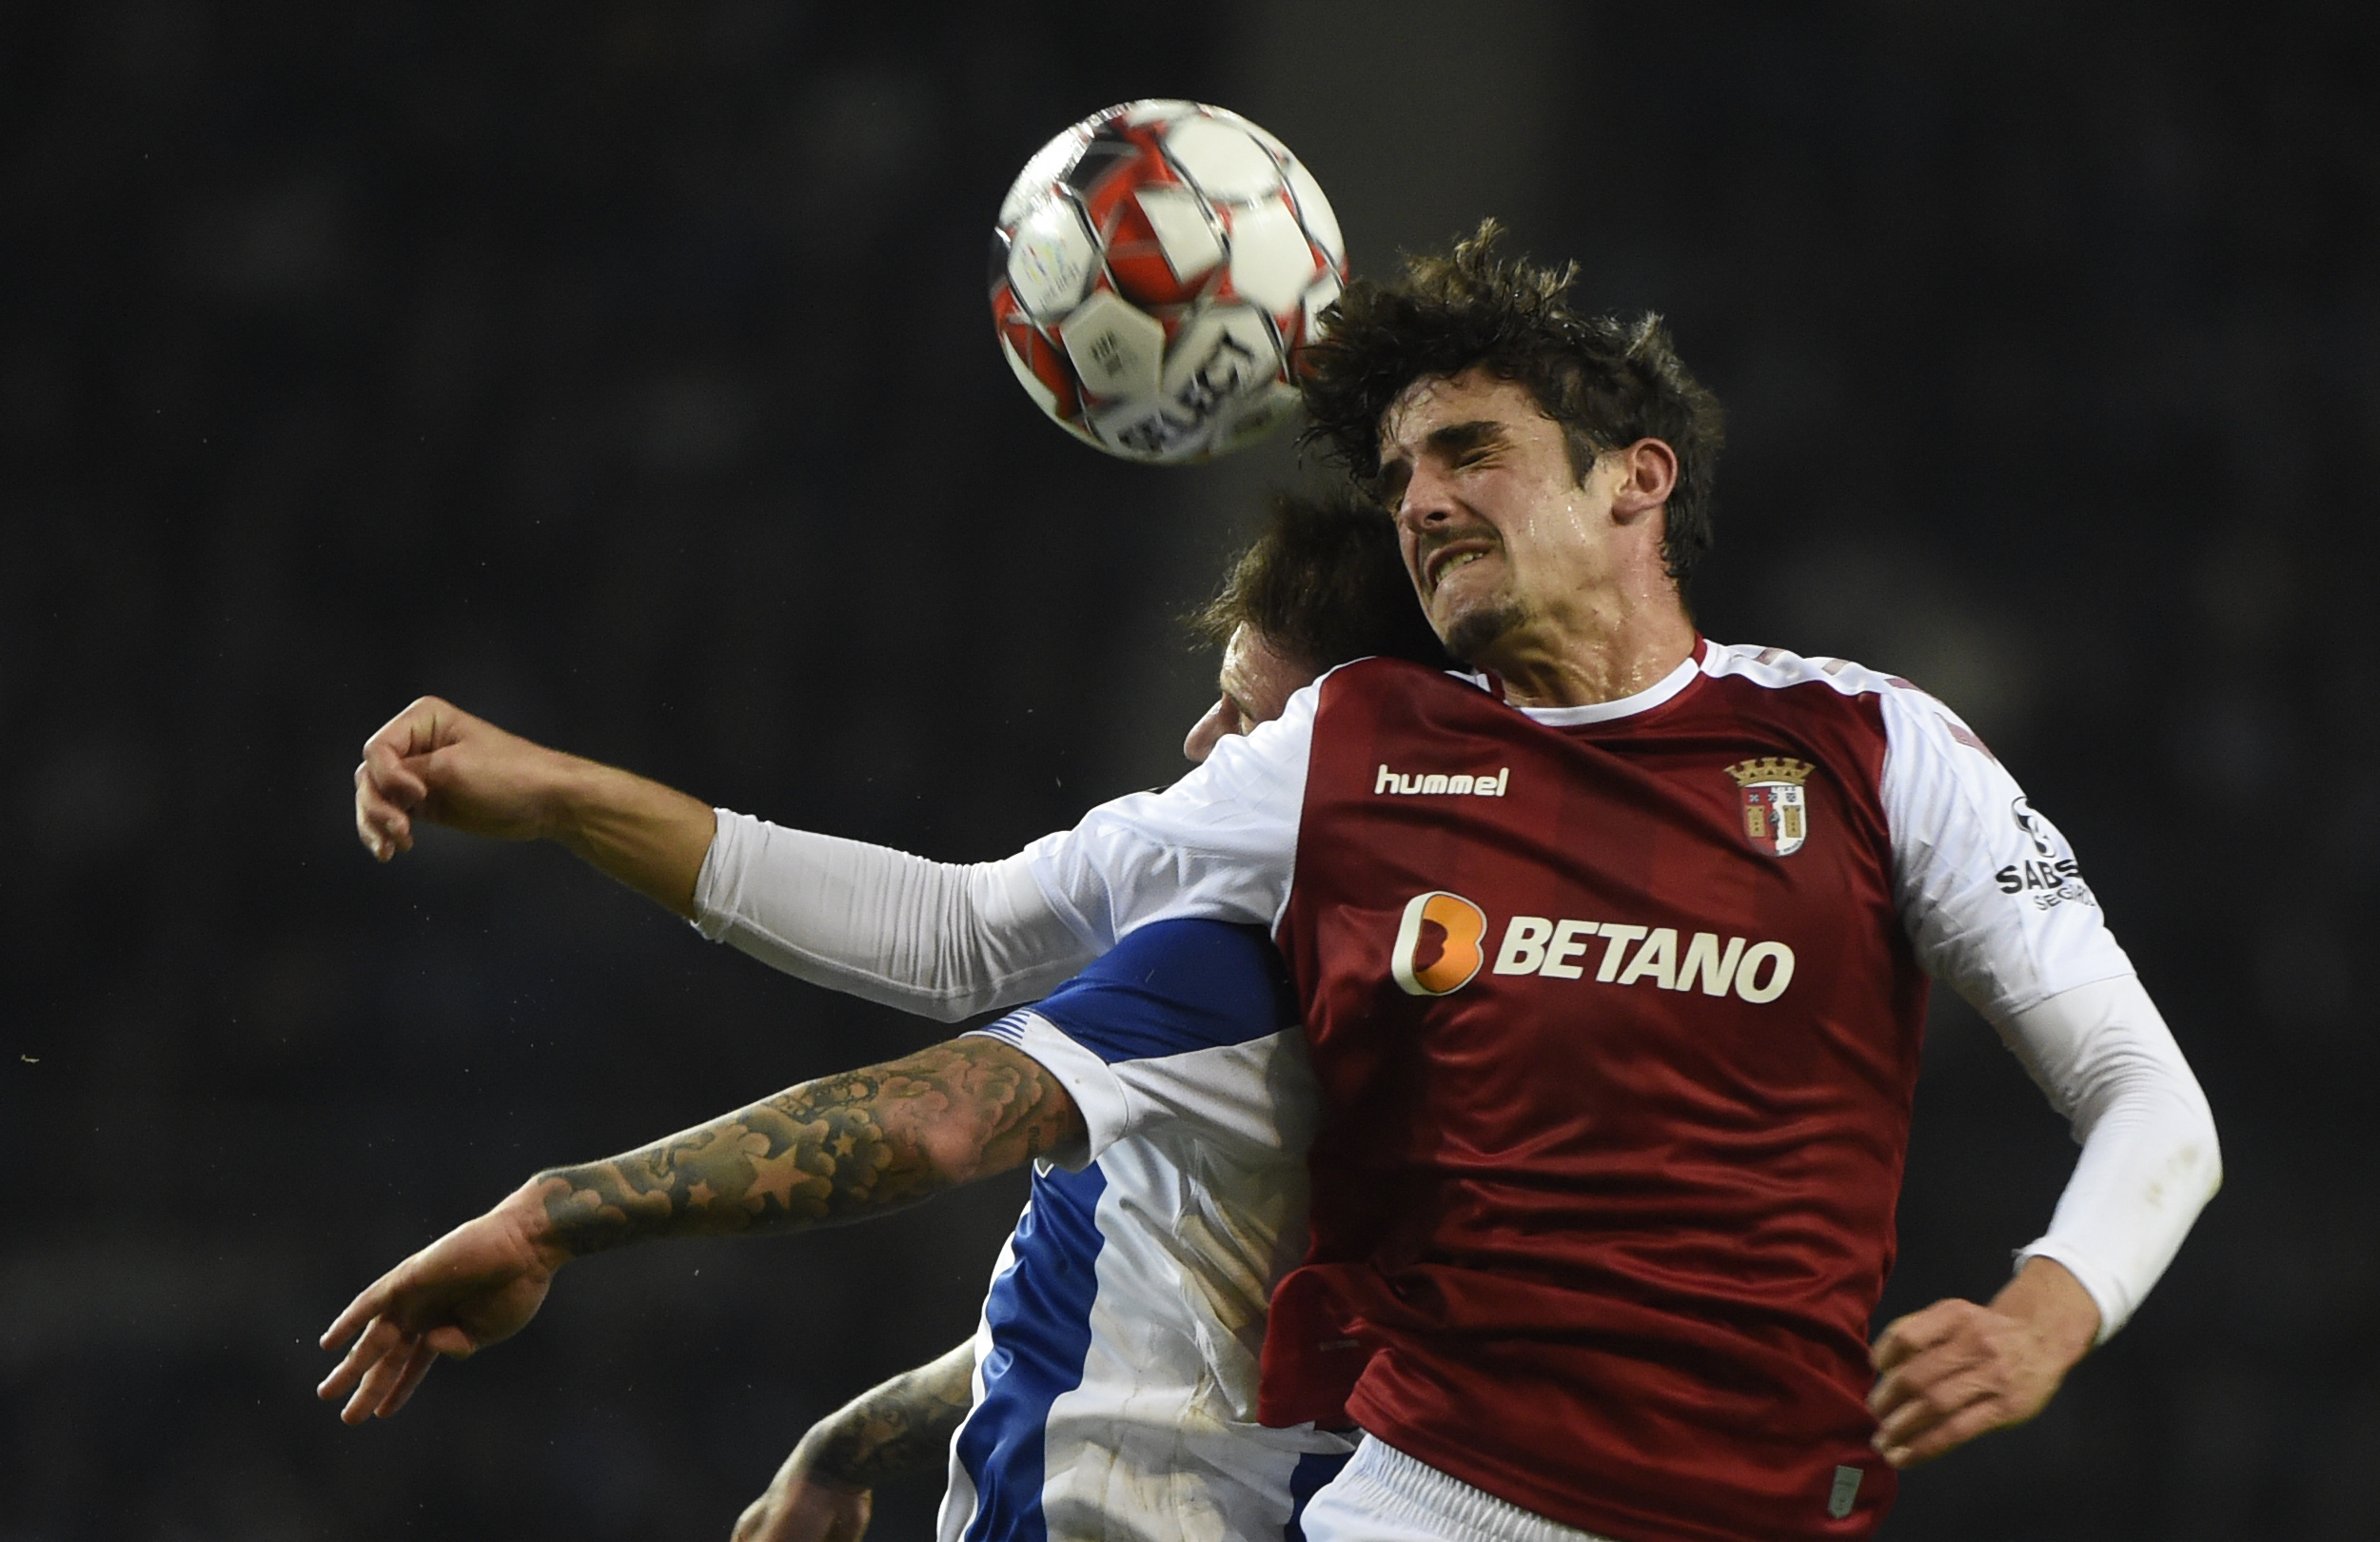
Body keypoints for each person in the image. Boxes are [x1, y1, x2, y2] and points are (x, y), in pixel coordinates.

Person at [351, 225, 2220, 1542]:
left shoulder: (1870, 750)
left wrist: (2046, 1306)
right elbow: (961, 930)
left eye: (1467, 449)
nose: (1418, 497)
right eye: (1400, 465)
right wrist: (565, 794)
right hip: (1431, 1497)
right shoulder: (1352, 756)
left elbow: (2146, 1098)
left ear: (1632, 479)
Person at [325, 494, 1453, 1542]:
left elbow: (930, 1108)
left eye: (1245, 717)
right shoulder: (1489, 1022)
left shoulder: (1225, 976)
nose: (1201, 744)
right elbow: (1146, 1311)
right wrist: (846, 1446)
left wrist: (547, 1220)